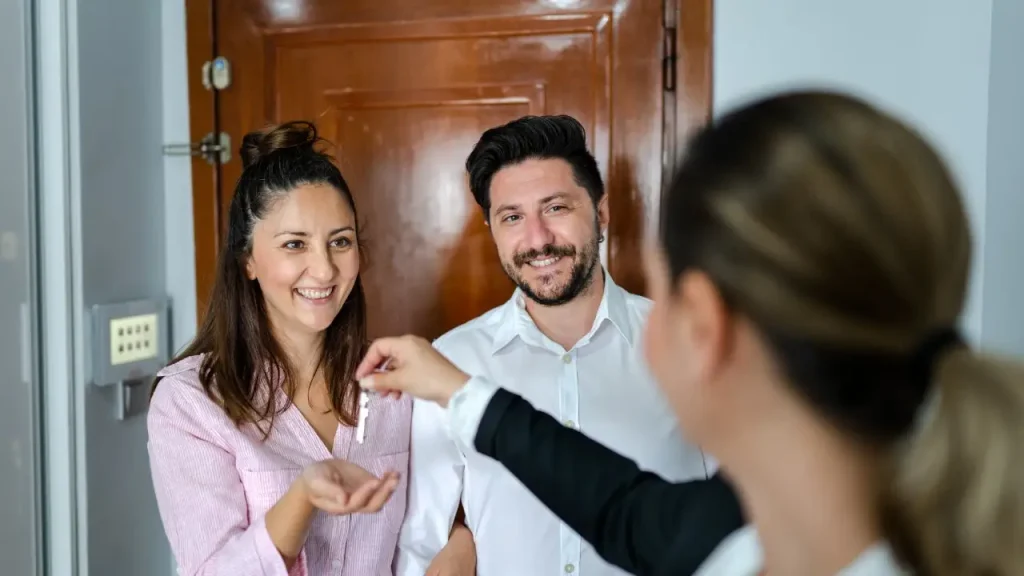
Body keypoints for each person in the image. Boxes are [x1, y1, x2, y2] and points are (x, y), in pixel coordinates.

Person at [357, 91, 1024, 576]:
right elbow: (621, 508)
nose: (535, 236)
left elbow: (624, 512)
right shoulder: (739, 535)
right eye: (511, 217)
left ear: (704, 322)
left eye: (669, 290)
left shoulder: (722, 536)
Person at [394, 114, 718, 575]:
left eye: (556, 208)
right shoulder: (450, 363)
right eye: (512, 217)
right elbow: (420, 543)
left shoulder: (689, 342)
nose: (538, 240)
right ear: (492, 229)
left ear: (601, 214)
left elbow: (741, 522)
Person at [146, 121, 475, 575]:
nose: (323, 270)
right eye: (295, 244)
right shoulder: (191, 401)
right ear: (247, 260)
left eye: (340, 242)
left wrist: (463, 542)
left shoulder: (395, 386)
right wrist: (302, 497)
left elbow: (431, 517)